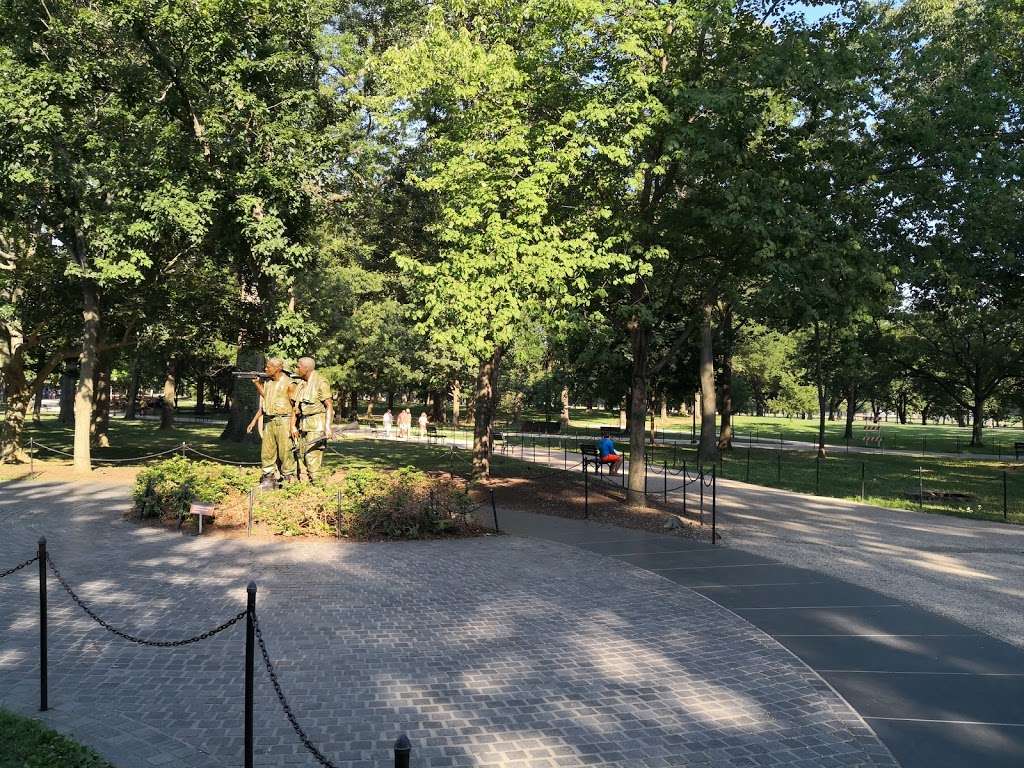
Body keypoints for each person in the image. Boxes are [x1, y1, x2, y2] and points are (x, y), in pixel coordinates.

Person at [251, 357, 296, 487]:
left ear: (278, 369)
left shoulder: (289, 383)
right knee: (267, 451)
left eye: (269, 366)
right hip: (270, 420)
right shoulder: (269, 383)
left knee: (286, 451)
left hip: (284, 421)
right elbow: (266, 396)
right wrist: (257, 384)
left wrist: (293, 426)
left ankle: (289, 479)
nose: (265, 369)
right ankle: (268, 478)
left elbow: (295, 406)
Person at [292, 357, 333, 483]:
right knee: (301, 454)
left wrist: (327, 427)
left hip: (317, 425)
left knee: (312, 456)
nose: (296, 369)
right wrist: (293, 426)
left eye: (298, 366)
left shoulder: (321, 382)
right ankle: (304, 487)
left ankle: (317, 485)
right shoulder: (301, 384)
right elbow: (295, 408)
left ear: (306, 368)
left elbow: (329, 405)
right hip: (303, 424)